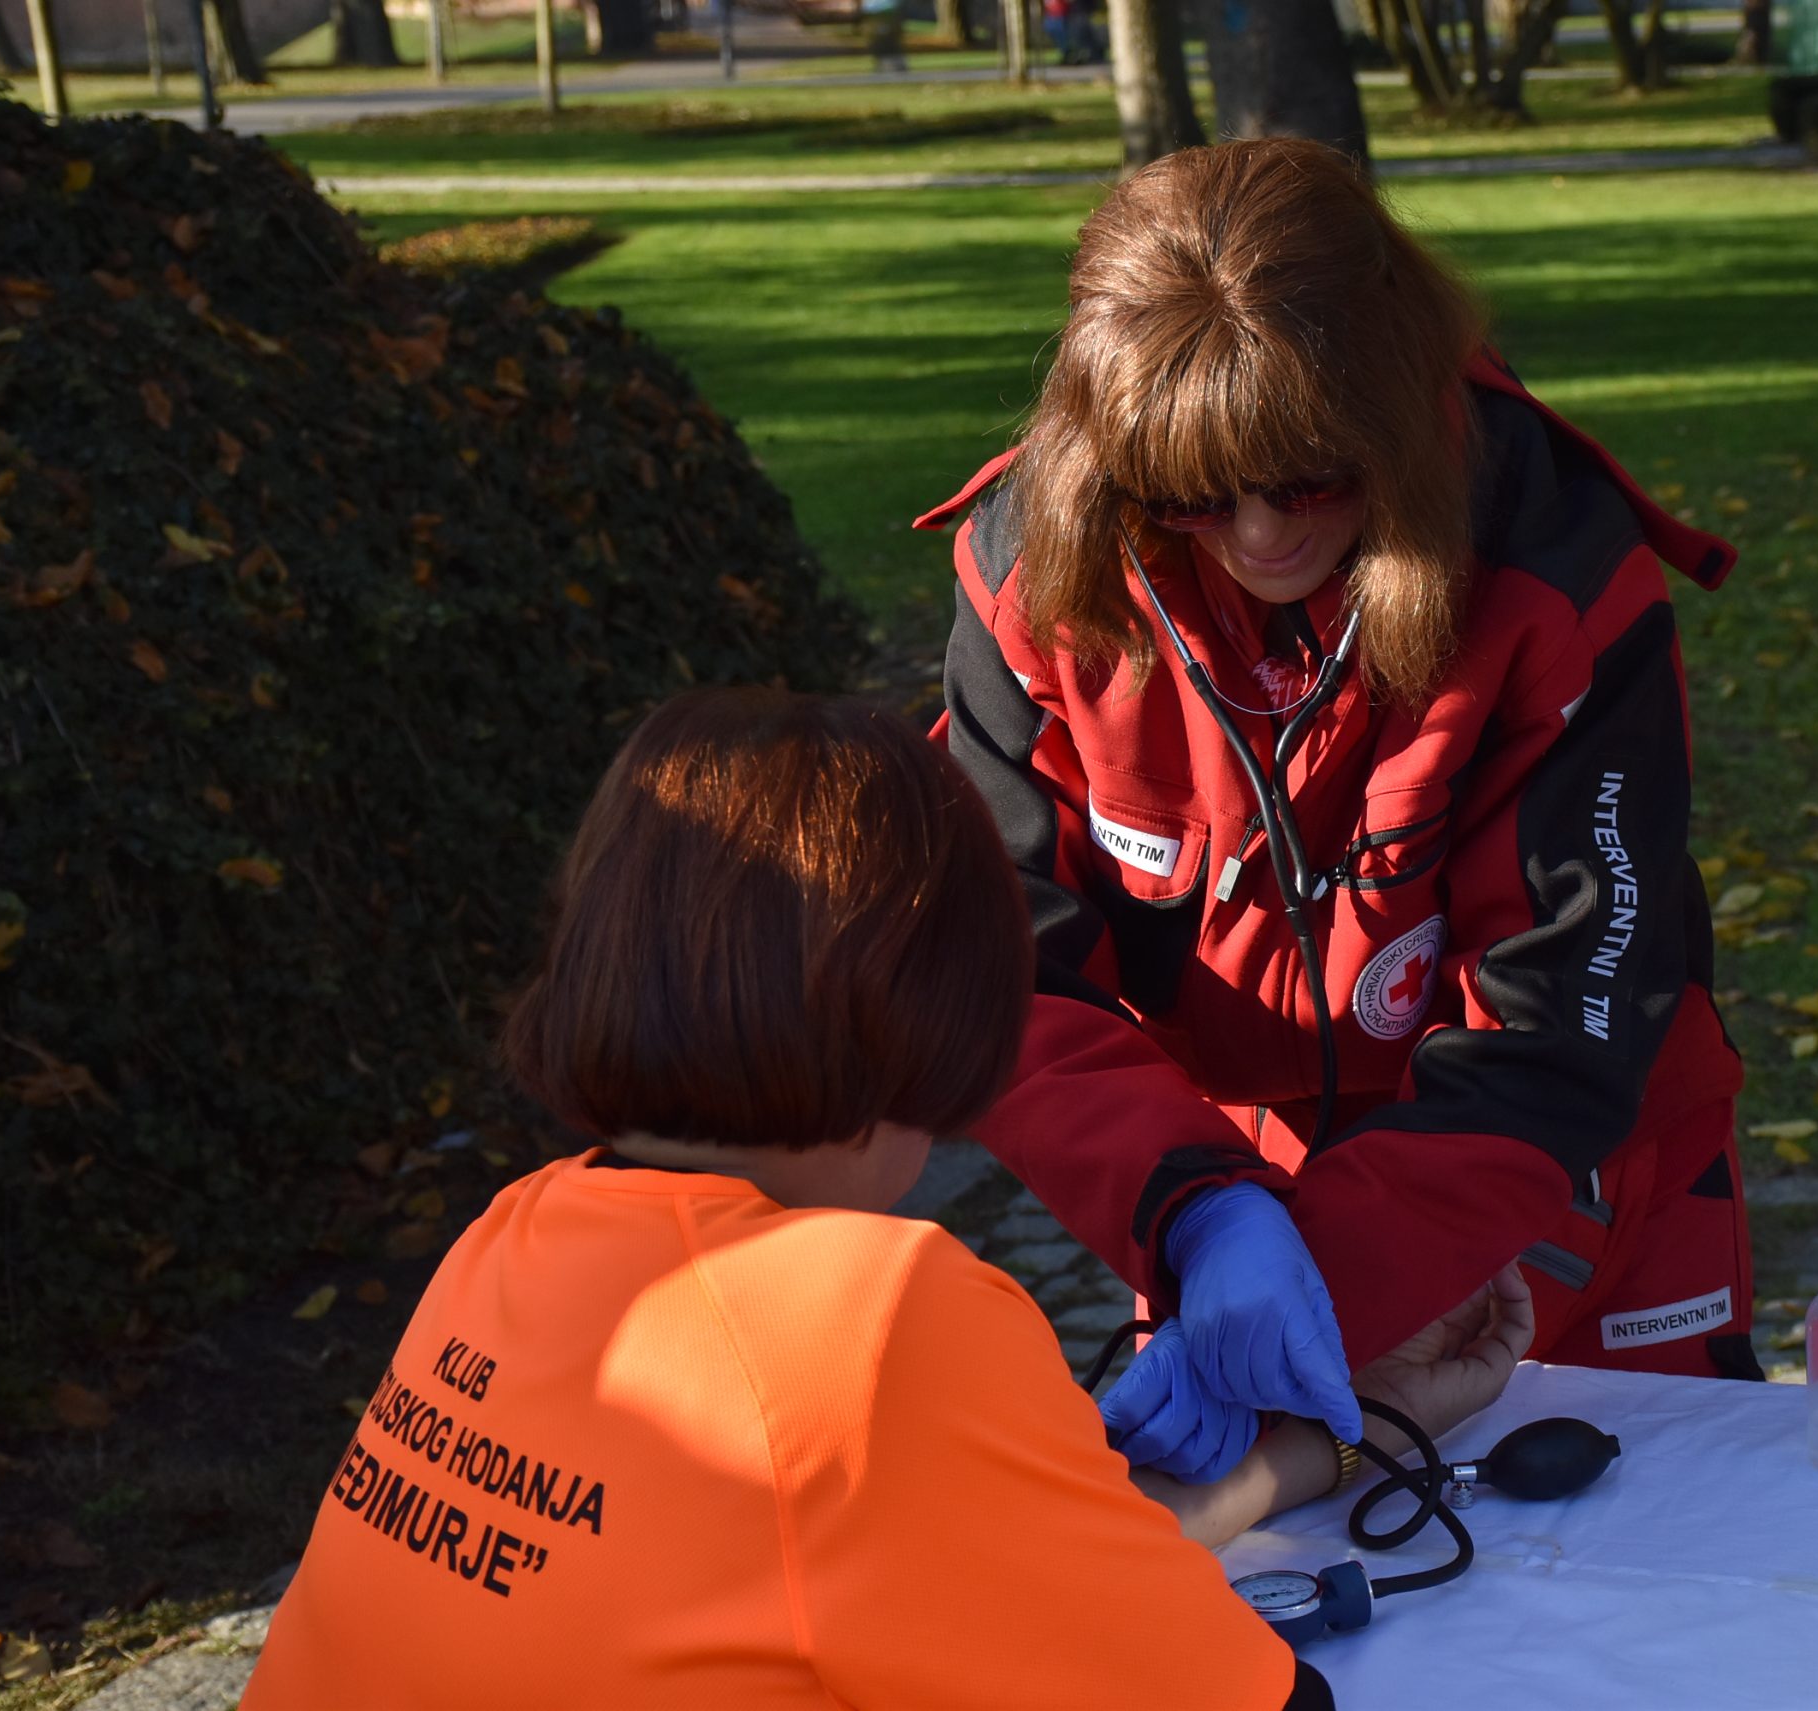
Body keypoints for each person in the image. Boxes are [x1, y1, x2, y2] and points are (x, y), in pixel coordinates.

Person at [243, 688, 1532, 1710]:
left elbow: (960, 1573)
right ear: (937, 1015)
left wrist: (1355, 1431)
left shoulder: (512, 1237)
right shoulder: (868, 1315)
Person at [922, 136, 1753, 1486]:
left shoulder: (1551, 566)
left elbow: (1564, 1023)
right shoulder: (1035, 578)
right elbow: (999, 970)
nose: (1258, 538)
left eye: (1312, 476)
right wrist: (1195, 1215)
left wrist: (1326, 1269)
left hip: (1566, 1174)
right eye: (1192, 494)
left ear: (1397, 396)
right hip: (1224, 1188)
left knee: (1656, 1573)